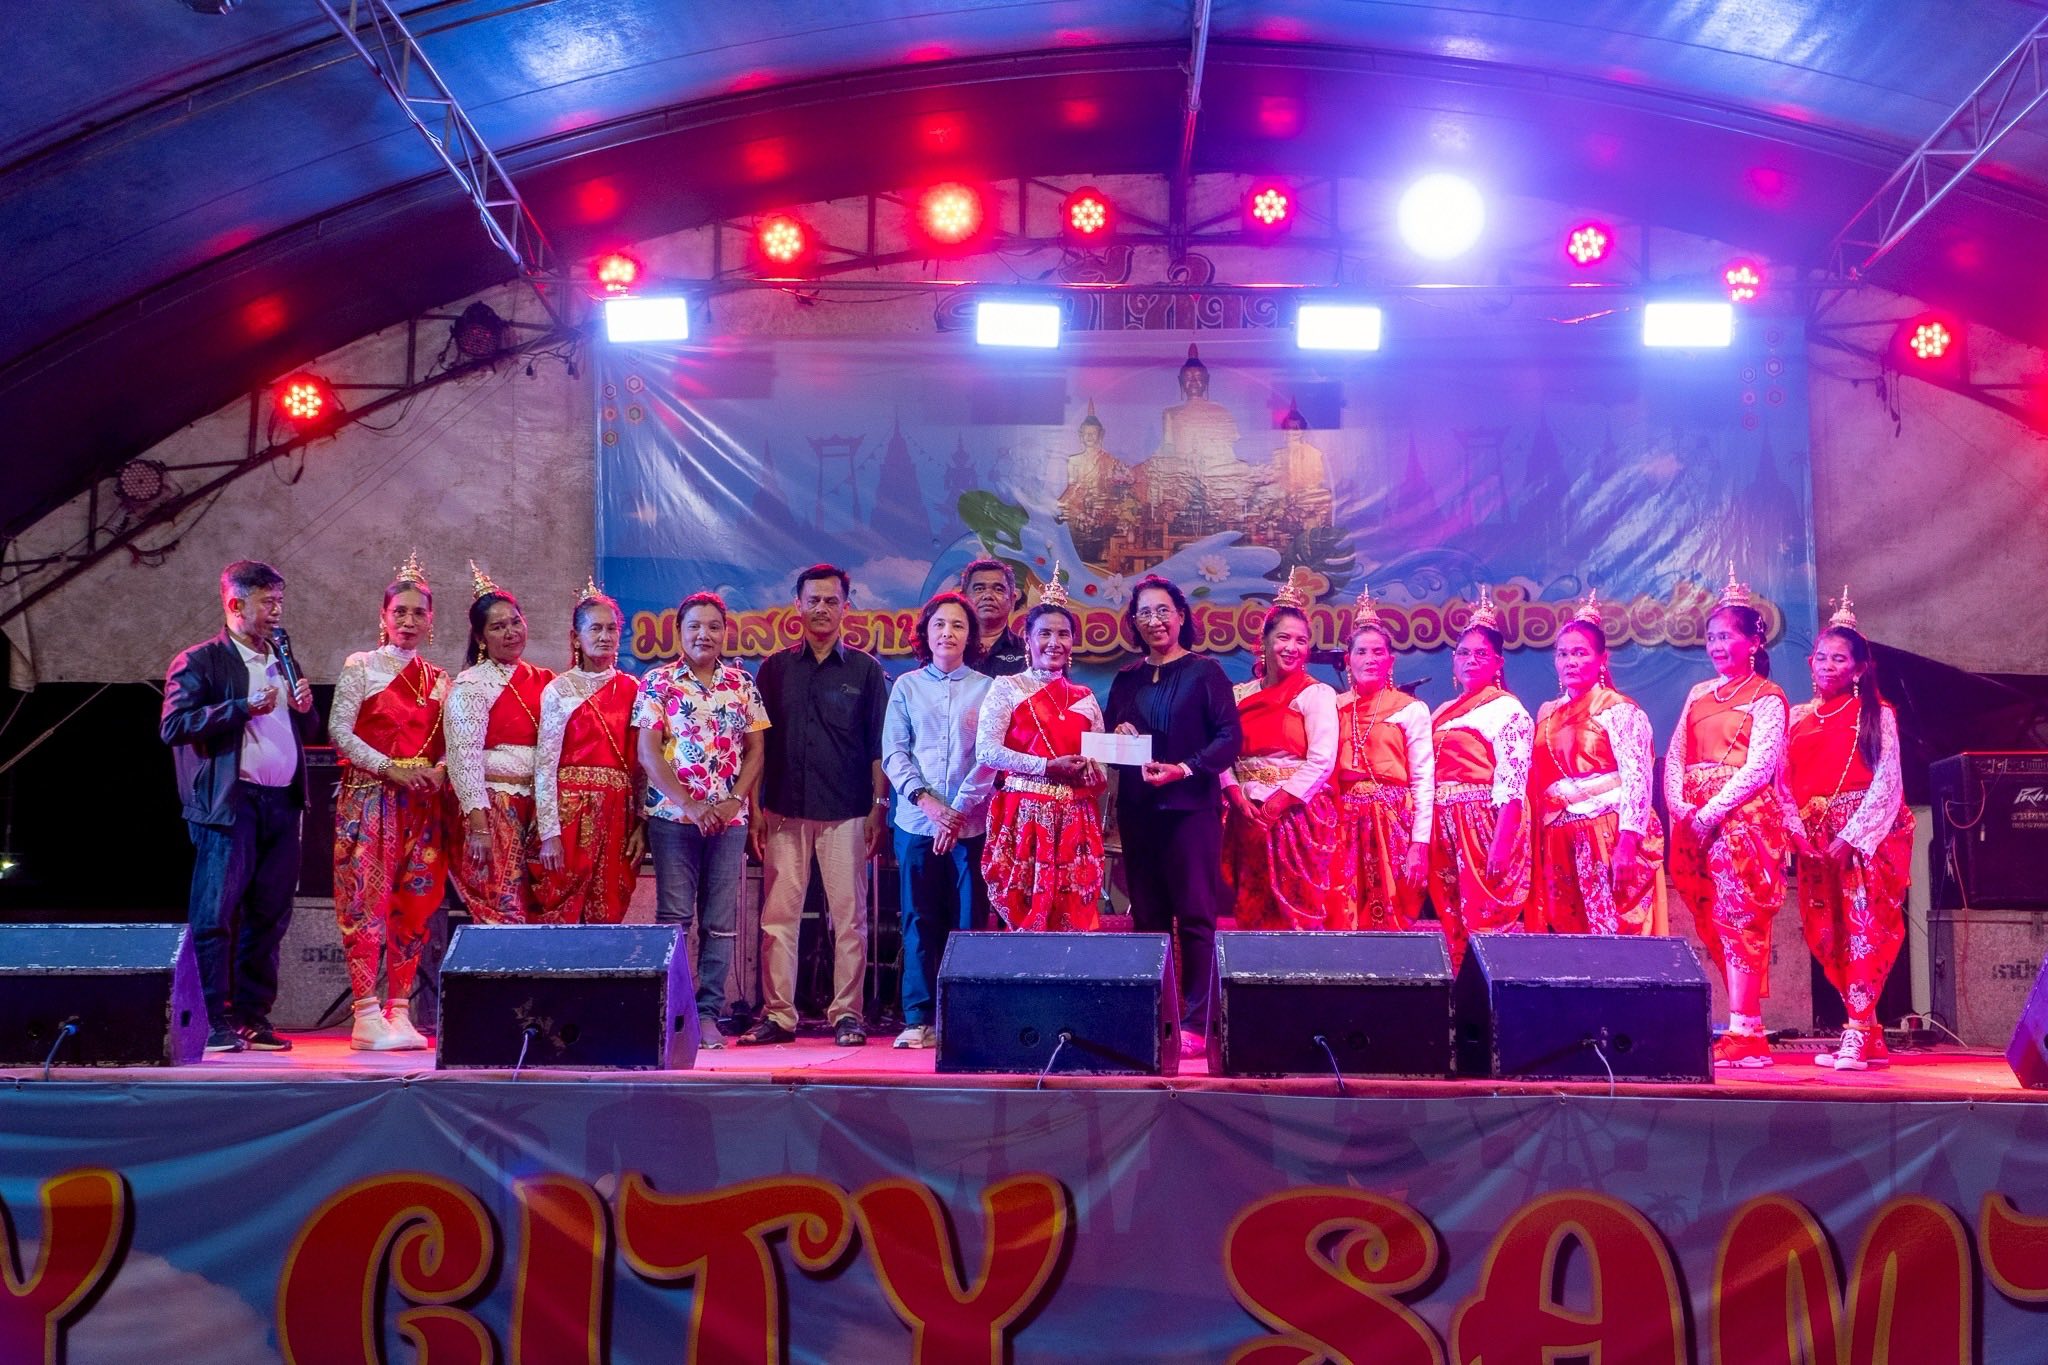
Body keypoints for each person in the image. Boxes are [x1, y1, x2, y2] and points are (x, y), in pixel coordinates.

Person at [160, 559, 316, 1053]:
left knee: (269, 915)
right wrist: (242, 707)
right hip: (230, 804)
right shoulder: (200, 660)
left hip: (282, 803)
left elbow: (303, 731)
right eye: (268, 602)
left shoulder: (282, 657)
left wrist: (305, 710)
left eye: (280, 602)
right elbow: (174, 726)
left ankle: (253, 1016)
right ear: (235, 604)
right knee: (215, 915)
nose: (277, 612)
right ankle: (210, 1019)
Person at [741, 564, 889, 1048]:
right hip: (784, 811)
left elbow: (878, 748)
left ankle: (847, 1014)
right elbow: (757, 747)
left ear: (846, 607)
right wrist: (755, 810)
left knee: (849, 922)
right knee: (778, 920)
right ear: (798, 606)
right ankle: (778, 1015)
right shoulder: (774, 669)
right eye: (813, 600)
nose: (821, 608)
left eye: (831, 601)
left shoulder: (866, 671)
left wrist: (878, 808)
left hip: (847, 812)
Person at [1105, 574, 1241, 1057]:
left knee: (1197, 916)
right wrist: (1117, 734)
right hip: (1139, 812)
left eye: (1163, 610)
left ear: (1182, 616)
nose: (1155, 620)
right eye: (1144, 612)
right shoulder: (1126, 679)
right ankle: (1155, 1015)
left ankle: (1197, 1021)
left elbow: (1229, 738)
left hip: (1191, 810)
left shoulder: (1206, 673)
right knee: (1148, 916)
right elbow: (1110, 742)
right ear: (1134, 622)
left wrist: (1184, 769)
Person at [1665, 567, 1792, 1069]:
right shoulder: (1699, 693)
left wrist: (1712, 811)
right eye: (1712, 637)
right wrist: (1680, 806)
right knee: (1713, 918)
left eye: (1727, 637)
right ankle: (1746, 1028)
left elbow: (1760, 766)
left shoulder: (1768, 696)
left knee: (1740, 918)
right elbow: (1676, 755)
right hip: (1696, 821)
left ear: (1753, 642)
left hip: (1741, 821)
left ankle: (1744, 1030)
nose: (1717, 646)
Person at [633, 591, 768, 1050]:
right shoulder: (657, 682)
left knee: (721, 920)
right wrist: (690, 806)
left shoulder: (742, 684)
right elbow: (648, 753)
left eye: (713, 626)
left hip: (729, 820)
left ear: (725, 633)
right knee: (674, 916)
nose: (703, 634)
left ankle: (709, 1013)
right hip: (674, 818)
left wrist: (733, 801)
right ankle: (671, 1011)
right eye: (694, 626)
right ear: (679, 632)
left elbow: (756, 751)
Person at [1786, 590, 1913, 1072]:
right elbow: (1781, 783)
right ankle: (1870, 1033)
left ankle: (1856, 1032)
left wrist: (1853, 838)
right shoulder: (1798, 718)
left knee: (1863, 930)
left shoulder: (1877, 714)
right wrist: (1796, 835)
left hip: (1861, 840)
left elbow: (1888, 781)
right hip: (1815, 840)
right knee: (1828, 934)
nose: (1827, 666)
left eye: (1839, 659)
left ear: (1859, 668)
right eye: (1821, 657)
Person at [329, 551, 449, 1051]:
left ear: (431, 620)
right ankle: (365, 1012)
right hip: (370, 799)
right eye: (399, 611)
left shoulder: (439, 678)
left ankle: (399, 1011)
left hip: (421, 805)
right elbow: (339, 731)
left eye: (419, 613)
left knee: (414, 905)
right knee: (365, 901)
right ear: (383, 616)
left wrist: (440, 771)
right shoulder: (361, 666)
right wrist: (389, 768)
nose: (408, 621)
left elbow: (450, 744)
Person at [882, 592, 996, 1049]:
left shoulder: (988, 689)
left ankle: (967, 1019)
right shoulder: (906, 687)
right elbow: (894, 753)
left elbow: (989, 758)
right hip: (916, 822)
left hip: (971, 823)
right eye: (939, 625)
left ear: (970, 636)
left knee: (969, 919)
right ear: (925, 634)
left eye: (958, 626)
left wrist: (957, 812)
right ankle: (918, 1018)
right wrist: (927, 803)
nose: (948, 633)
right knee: (918, 919)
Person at [1530, 591, 1665, 937]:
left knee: (1610, 932)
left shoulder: (1619, 709)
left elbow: (1638, 781)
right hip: (1558, 835)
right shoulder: (1547, 714)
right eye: (1563, 654)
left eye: (1580, 653)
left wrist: (1627, 845)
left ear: (1602, 659)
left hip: (1606, 832)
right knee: (1569, 936)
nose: (1570, 662)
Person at [978, 571, 1107, 933]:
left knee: (1070, 920)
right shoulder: (1007, 688)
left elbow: (1097, 766)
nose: (1054, 642)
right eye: (1045, 633)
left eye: (1063, 634)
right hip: (1023, 817)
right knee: (1022, 918)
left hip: (1074, 819)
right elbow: (987, 751)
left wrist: (1094, 772)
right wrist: (1047, 766)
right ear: (1028, 639)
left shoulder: (1085, 698)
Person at [1221, 574, 1340, 931]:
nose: (1292, 648)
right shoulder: (1239, 695)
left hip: (1296, 816)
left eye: (1301, 641)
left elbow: (1322, 761)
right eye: (1283, 638)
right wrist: (1235, 795)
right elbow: (1221, 753)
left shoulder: (1315, 694)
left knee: (1297, 914)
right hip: (1246, 812)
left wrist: (1276, 806)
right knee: (1252, 911)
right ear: (1264, 642)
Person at [1428, 588, 1534, 970]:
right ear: (1453, 661)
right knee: (1452, 922)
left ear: (1498, 663)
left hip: (1481, 824)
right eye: (1463, 653)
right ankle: (1461, 993)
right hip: (1443, 823)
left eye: (1481, 654)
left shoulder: (1507, 709)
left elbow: (1512, 781)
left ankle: (1490, 996)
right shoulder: (1443, 710)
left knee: (1484, 920)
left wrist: (1502, 843)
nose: (1471, 661)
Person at [445, 564, 552, 926]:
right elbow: (463, 760)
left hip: (537, 809)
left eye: (515, 622)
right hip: (493, 808)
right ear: (480, 638)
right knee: (503, 909)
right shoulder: (472, 685)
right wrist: (479, 828)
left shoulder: (545, 681)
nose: (510, 632)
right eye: (498, 627)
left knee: (539, 912)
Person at [534, 583, 645, 926]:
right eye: (595, 628)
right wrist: (549, 833)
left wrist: (641, 825)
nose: (605, 636)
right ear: (576, 637)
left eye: (611, 629)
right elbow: (545, 765)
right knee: (560, 909)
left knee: (607, 911)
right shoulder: (559, 689)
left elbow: (643, 766)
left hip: (618, 815)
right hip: (570, 813)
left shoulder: (634, 689)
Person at [1328, 587, 1433, 932]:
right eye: (1361, 651)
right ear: (1348, 660)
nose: (1370, 659)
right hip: (1342, 824)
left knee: (1391, 914)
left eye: (1378, 652)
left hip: (1393, 822)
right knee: (1342, 915)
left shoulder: (1411, 709)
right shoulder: (1333, 708)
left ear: (1391, 660)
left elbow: (1423, 781)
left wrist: (1420, 843)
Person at [961, 557, 1028, 677]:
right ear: (963, 598)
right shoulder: (947, 648)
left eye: (998, 589)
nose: (988, 596)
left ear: (1012, 600)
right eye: (979, 589)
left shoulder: (1028, 652)